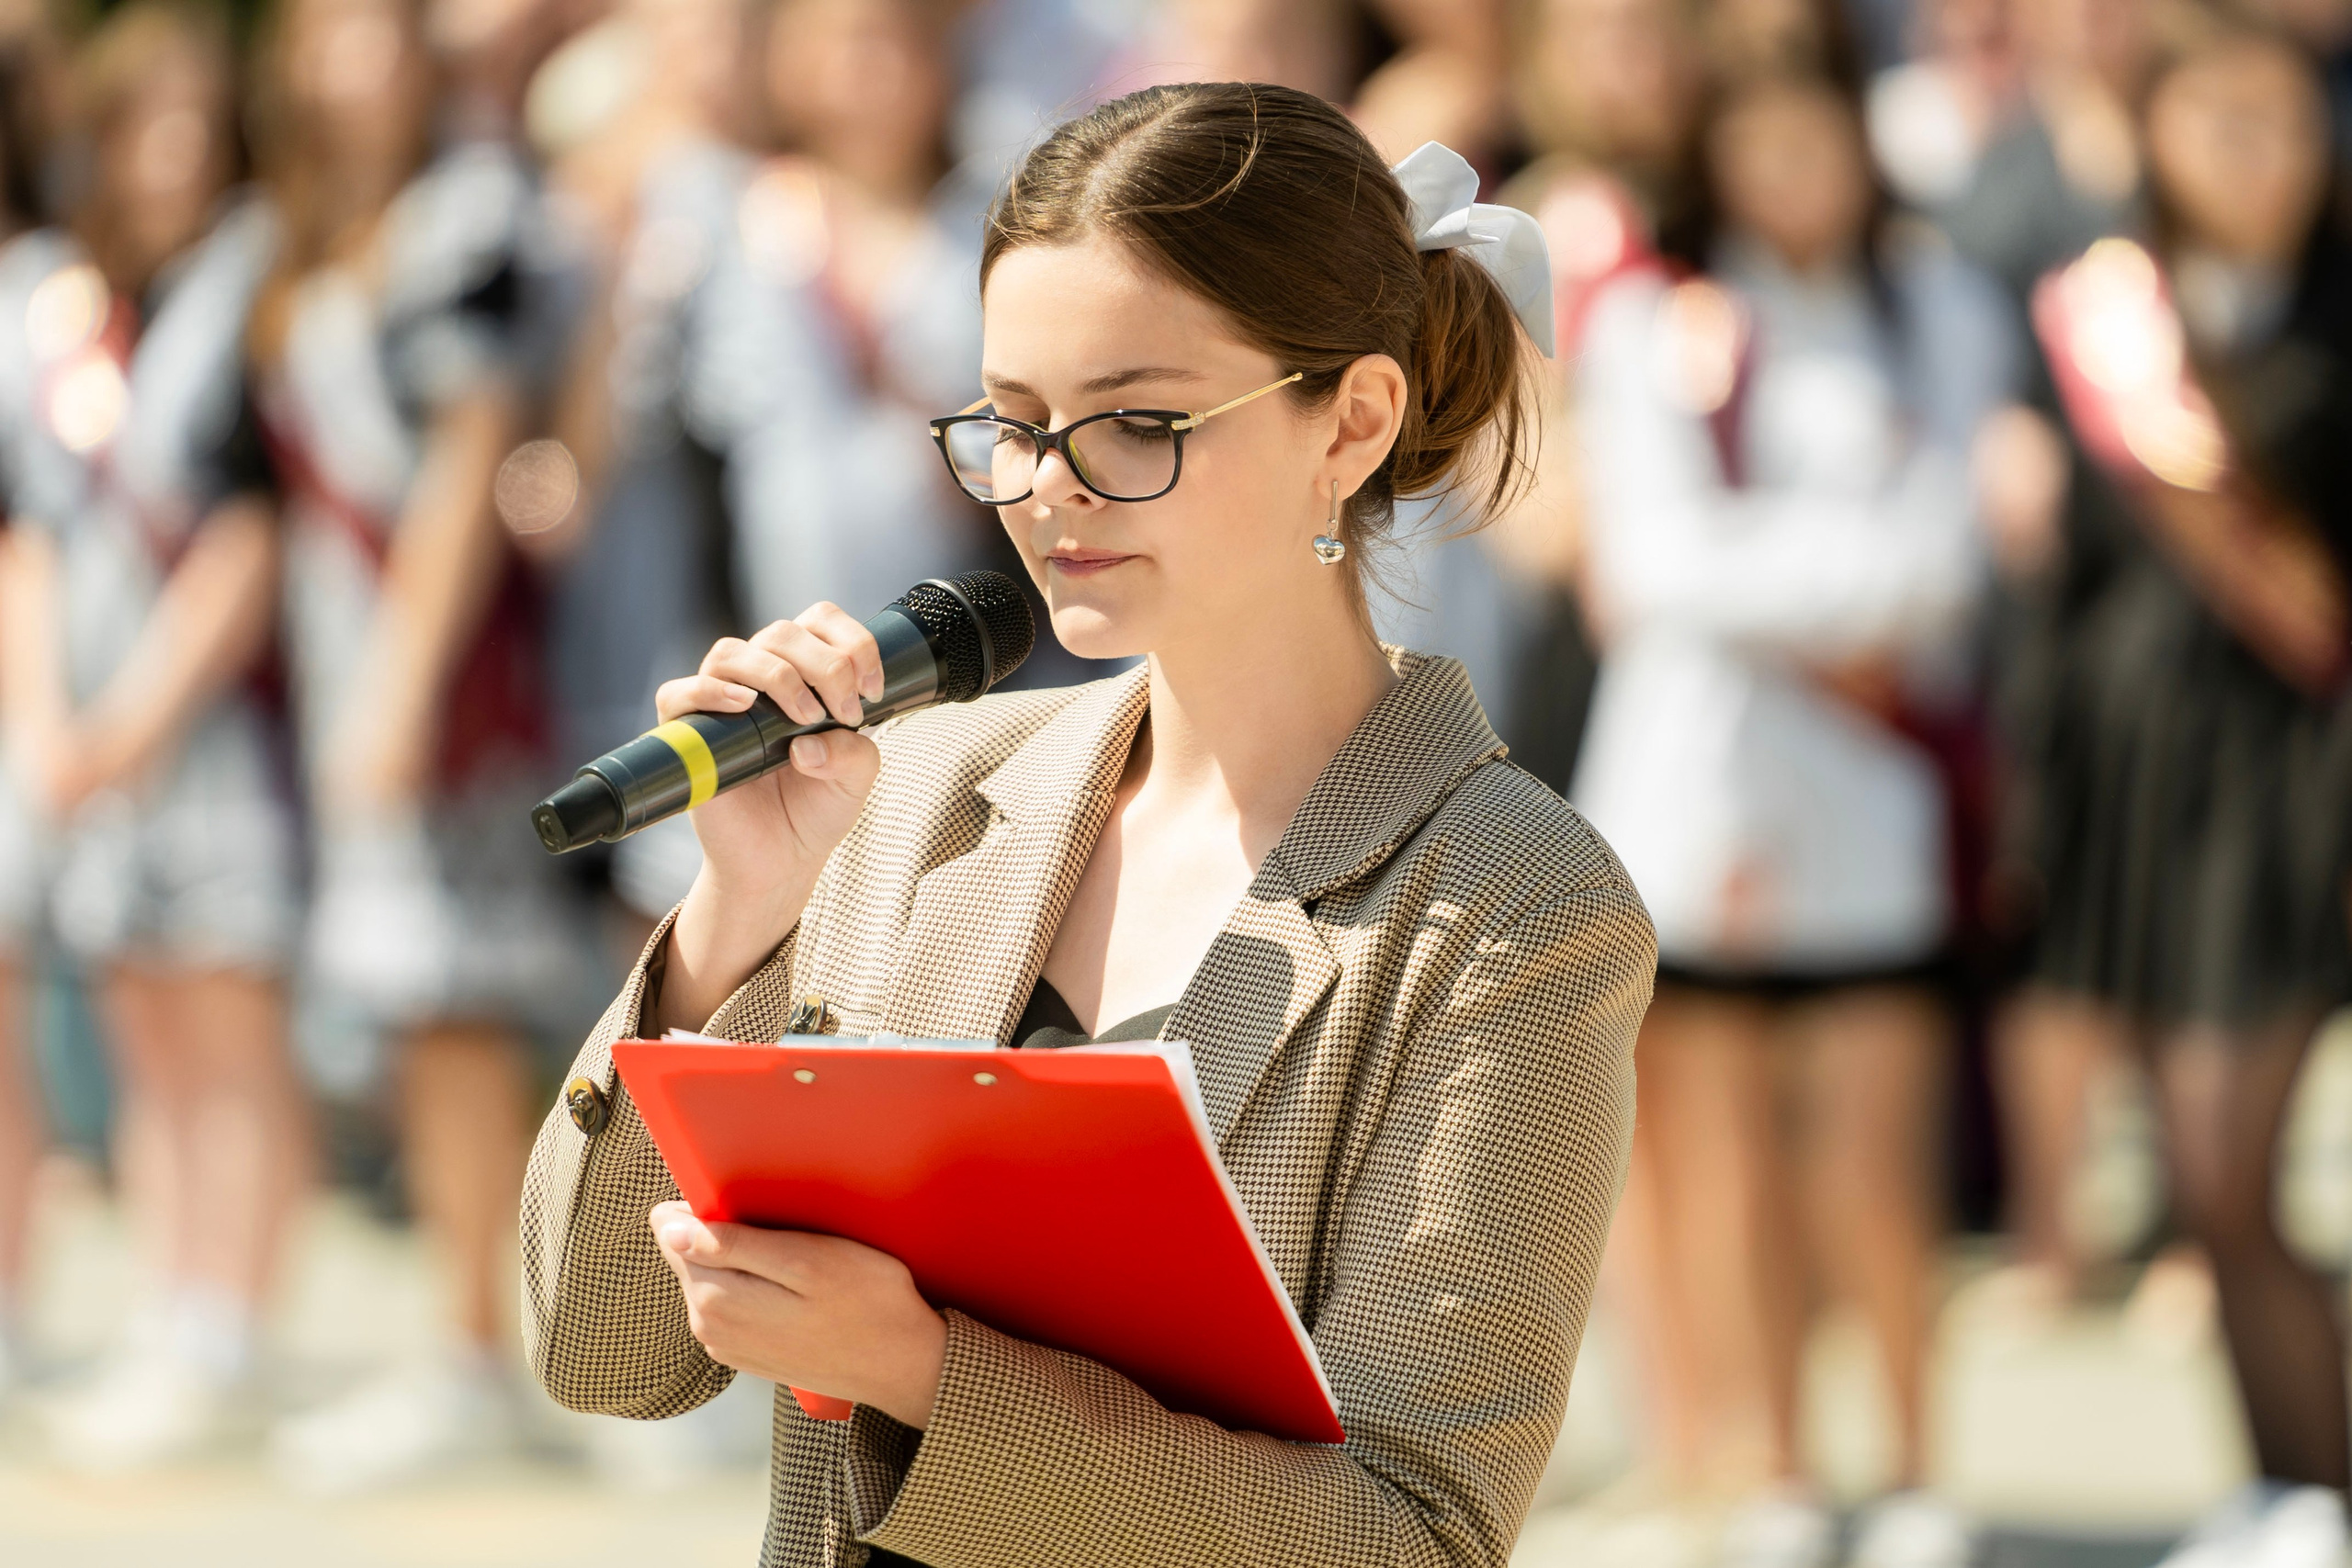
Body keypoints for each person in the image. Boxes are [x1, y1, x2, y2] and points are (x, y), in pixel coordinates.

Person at [524, 82, 1654, 1567]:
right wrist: (733, 927)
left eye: (1136, 424)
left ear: (1354, 421)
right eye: (1013, 423)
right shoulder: (920, 793)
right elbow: (602, 1353)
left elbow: (1413, 1541)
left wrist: (929, 1376)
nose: (1049, 492)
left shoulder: (1512, 903)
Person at [1570, 58, 2012, 1565]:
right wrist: (1845, 577)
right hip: (1697, 792)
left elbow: (1954, 553)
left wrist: (1775, 579)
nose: (1788, 171)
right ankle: (1764, 1469)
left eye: (1812, 137)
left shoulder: (1934, 306)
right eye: (1754, 141)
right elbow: (1650, 566)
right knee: (1720, 1162)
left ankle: (1910, 1469)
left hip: (1873, 787)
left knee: (1874, 1158)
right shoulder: (1654, 321)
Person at [244, 0, 598, 1491]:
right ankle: (471, 1344)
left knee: (453, 1016)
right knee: (418, 1016)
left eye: (381, 33)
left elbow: (471, 448)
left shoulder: (464, 214)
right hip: (360, 664)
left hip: (438, 686)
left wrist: (397, 681)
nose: (357, 63)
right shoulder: (332, 221)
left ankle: (479, 1352)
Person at [2026, 19, 2352, 1563]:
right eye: (2220, 126)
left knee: (2236, 1157)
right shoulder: (2115, 312)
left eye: (2285, 125)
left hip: (2310, 783)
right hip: (2158, 790)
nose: (2260, 159)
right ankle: (2287, 1489)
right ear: (2155, 139)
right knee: (2200, 1176)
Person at [0, 1, 309, 1466]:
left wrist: (128, 720)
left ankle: (231, 1331)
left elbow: (252, 537)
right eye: (147, 124)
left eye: (199, 123)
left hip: (216, 740)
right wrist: (53, 718)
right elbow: (35, 534)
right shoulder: (76, 304)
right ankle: (167, 1309)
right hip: (89, 748)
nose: (173, 151)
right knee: (136, 1023)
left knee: (227, 1023)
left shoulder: (254, 295)